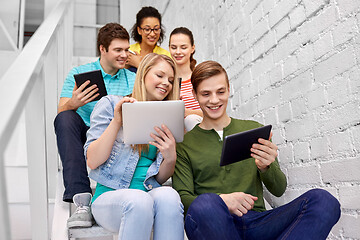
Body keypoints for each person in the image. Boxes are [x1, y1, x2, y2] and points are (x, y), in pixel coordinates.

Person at [172, 60, 341, 240]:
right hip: (214, 223)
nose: (214, 100)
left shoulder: (254, 130)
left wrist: (266, 168)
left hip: (258, 223)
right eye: (206, 94)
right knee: (205, 203)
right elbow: (183, 198)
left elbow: (278, 189)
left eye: (220, 92)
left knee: (323, 201)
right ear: (195, 94)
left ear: (228, 90)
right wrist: (222, 200)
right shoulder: (184, 145)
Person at [84, 53, 184, 240]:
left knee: (169, 196)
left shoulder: (167, 116)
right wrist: (117, 121)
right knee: (139, 200)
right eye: (160, 75)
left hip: (147, 193)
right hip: (110, 198)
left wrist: (170, 157)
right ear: (143, 74)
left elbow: (159, 179)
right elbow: (93, 160)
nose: (166, 83)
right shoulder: (111, 104)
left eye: (170, 80)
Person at [53, 23, 136, 228]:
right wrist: (74, 103)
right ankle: (81, 198)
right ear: (102, 49)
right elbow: (61, 110)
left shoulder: (133, 79)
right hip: (87, 135)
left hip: (118, 139)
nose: (124, 55)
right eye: (118, 50)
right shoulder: (79, 73)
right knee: (64, 118)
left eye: (126, 50)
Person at [169, 27, 202, 131]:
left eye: (183, 47)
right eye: (173, 47)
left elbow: (212, 113)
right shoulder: (167, 82)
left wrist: (185, 112)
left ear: (192, 48)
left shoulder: (200, 78)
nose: (178, 52)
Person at [126, 6, 171, 73]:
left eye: (156, 29)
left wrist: (139, 64)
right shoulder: (128, 52)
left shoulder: (166, 56)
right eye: (147, 29)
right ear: (139, 30)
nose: (152, 34)